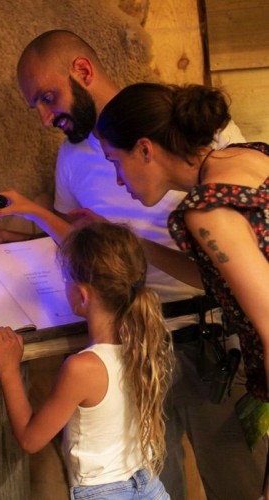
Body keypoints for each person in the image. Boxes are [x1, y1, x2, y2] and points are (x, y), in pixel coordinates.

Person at [0, 30, 266, 499]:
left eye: (47, 97)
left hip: (208, 338)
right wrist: (15, 229)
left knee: (240, 482)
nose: (44, 117)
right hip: (134, 343)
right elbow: (89, 247)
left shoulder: (205, 188)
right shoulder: (239, 162)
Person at [96, 81, 269, 496]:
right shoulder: (248, 157)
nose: (118, 180)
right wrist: (136, 245)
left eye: (115, 162)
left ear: (145, 149)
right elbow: (224, 278)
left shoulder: (207, 208)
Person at [0, 221, 174, 499]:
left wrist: (8, 369)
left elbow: (30, 439)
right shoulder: (147, 343)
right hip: (149, 485)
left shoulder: (82, 368)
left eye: (66, 280)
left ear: (82, 295)